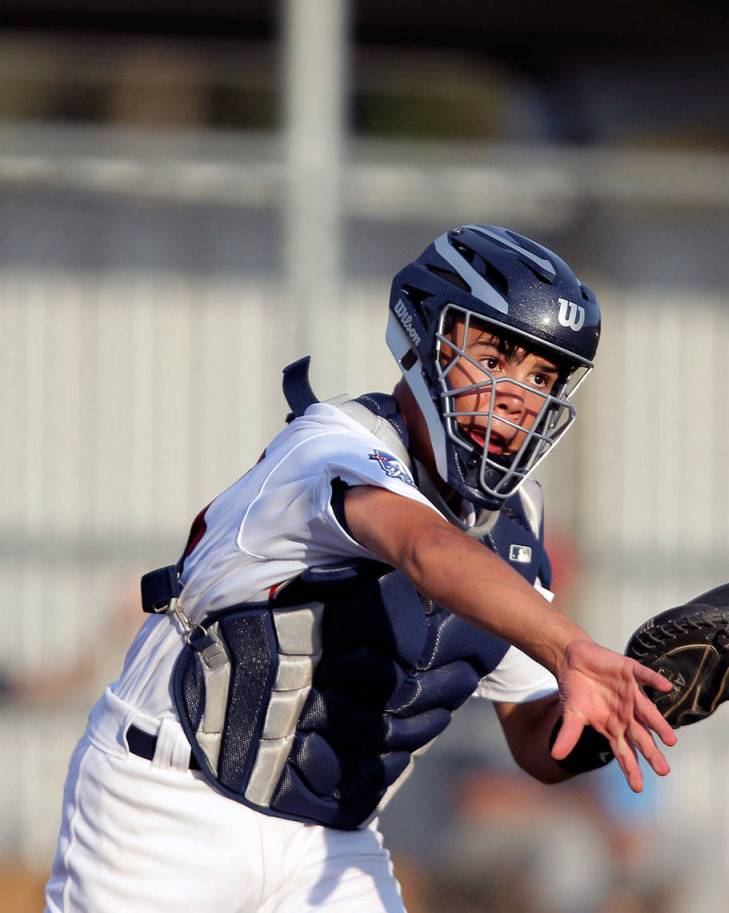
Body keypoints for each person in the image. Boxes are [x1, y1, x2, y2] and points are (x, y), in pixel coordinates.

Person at [44, 225, 681, 913]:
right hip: (169, 804)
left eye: (541, 375)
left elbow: (536, 738)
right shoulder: (335, 444)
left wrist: (681, 685)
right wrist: (570, 644)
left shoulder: (516, 524)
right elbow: (425, 552)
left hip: (333, 840)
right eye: (495, 353)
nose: (519, 393)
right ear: (425, 339)